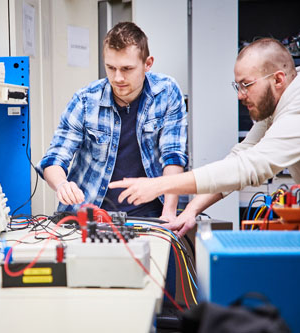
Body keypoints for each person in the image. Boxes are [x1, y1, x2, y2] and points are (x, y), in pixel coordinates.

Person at [109, 37, 300, 235]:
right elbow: (240, 157)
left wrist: (161, 184)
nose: (241, 95)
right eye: (237, 86)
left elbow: (250, 166)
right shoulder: (288, 96)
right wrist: (190, 211)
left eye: (246, 85)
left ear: (278, 79)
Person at [36, 22, 188, 221]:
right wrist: (62, 185)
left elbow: (173, 155)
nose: (117, 78)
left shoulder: (166, 92)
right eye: (111, 67)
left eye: (127, 69)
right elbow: (55, 158)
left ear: (148, 64)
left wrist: (168, 212)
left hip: (150, 215)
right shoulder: (85, 99)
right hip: (89, 215)